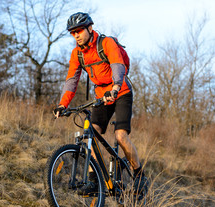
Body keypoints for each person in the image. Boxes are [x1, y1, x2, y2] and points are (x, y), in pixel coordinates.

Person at [53, 12, 148, 195]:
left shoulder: (106, 43)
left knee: (120, 136)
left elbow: (117, 65)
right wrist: (63, 105)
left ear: (90, 28)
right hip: (101, 96)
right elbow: (72, 80)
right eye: (73, 33)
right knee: (91, 135)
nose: (76, 35)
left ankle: (139, 175)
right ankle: (94, 180)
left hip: (120, 92)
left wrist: (115, 87)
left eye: (79, 31)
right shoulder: (77, 54)